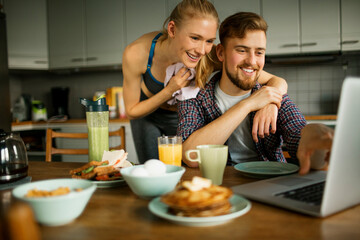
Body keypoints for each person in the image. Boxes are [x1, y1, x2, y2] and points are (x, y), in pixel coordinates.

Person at [122, 0, 288, 163]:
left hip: (182, 117)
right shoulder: (137, 54)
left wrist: (270, 104)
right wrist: (169, 90)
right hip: (147, 117)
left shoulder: (210, 56)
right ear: (172, 29)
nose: (201, 50)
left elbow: (277, 81)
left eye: (209, 41)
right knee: (152, 169)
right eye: (195, 38)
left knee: (181, 170)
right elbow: (131, 111)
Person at [178, 11, 315, 170]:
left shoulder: (271, 94)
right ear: (221, 53)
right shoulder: (194, 96)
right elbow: (191, 157)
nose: (252, 61)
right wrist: (247, 105)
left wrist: (317, 140)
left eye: (259, 52)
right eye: (242, 50)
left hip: (269, 184)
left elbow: (300, 139)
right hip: (218, 186)